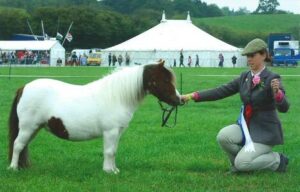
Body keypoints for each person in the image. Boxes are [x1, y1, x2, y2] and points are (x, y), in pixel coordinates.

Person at [181, 38, 290, 173]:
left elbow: (284, 107)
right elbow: (220, 91)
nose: (249, 59)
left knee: (243, 163)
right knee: (223, 136)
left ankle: (277, 160)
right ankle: (239, 165)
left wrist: (278, 93)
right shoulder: (244, 76)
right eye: (247, 56)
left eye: (252, 55)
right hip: (246, 127)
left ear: (263, 55)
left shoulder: (272, 78)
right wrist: (192, 96)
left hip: (265, 132)